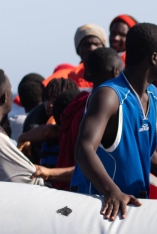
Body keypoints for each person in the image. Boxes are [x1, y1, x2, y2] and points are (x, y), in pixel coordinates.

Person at [71, 23, 157, 221]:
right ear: (154, 58)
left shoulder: (154, 95)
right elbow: (83, 149)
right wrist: (112, 191)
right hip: (99, 208)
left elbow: (144, 152)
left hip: (130, 207)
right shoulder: (109, 95)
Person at [38, 48, 124, 188]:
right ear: (115, 72)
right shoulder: (95, 111)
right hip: (93, 189)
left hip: (67, 186)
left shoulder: (78, 104)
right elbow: (86, 157)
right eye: (122, 72)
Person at [44, 24, 108, 90]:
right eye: (86, 44)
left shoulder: (112, 75)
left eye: (96, 44)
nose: (91, 48)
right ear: (78, 50)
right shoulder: (63, 77)